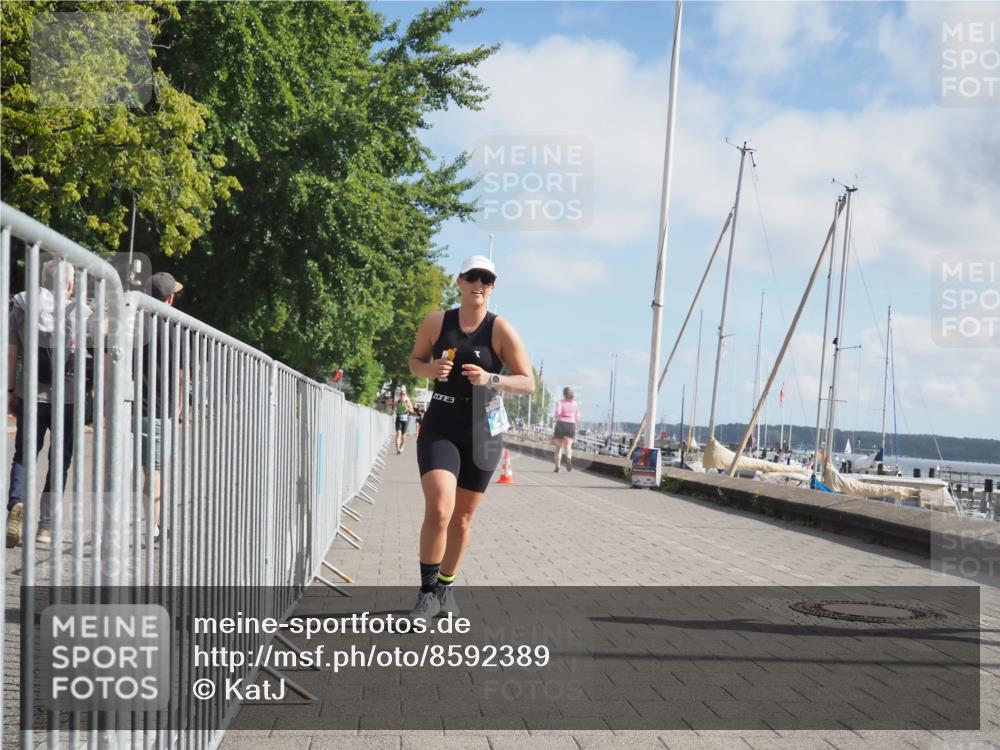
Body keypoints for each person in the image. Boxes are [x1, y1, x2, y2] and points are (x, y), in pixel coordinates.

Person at [407, 255, 533, 620]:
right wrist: (429, 369)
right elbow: (414, 362)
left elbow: (528, 383)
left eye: (487, 279)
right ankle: (427, 593)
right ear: (460, 281)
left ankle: (446, 587)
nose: (480, 283)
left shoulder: (501, 330)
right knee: (440, 507)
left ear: (492, 287)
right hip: (441, 424)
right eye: (473, 276)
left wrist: (491, 379)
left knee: (462, 518)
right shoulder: (436, 322)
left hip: (483, 430)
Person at [6, 259, 85, 547]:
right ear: (67, 282)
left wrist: (10, 390)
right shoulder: (79, 311)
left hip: (30, 392)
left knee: (25, 454)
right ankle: (46, 528)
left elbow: (11, 352)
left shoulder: (22, 306)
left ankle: (17, 503)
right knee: (60, 460)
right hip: (67, 399)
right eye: (74, 277)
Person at [139, 271, 184, 540]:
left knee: (133, 467)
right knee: (154, 470)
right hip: (158, 408)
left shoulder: (133, 322)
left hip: (131, 406)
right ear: (168, 299)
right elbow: (181, 375)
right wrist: (179, 409)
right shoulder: (172, 328)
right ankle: (152, 527)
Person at [552, 387, 581, 472]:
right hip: (571, 424)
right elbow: (577, 417)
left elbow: (557, 412)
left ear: (564, 394)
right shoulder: (575, 404)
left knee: (558, 448)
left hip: (561, 424)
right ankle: (568, 458)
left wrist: (556, 417)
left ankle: (557, 466)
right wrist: (574, 421)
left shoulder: (560, 402)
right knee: (568, 446)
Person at [394, 386, 414, 454]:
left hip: (406, 418)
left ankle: (402, 445)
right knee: (398, 434)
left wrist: (408, 409)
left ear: (405, 395)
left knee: (403, 435)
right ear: (399, 395)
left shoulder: (407, 401)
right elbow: (394, 408)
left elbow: (412, 411)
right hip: (399, 418)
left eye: (403, 394)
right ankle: (397, 449)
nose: (402, 395)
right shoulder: (398, 401)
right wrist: (394, 409)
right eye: (401, 394)